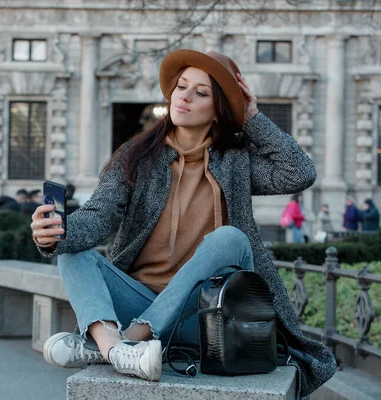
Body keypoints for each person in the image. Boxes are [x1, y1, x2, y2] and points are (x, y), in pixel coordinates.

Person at [30, 49, 335, 395]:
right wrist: (57, 233)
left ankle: (123, 343)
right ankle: (113, 348)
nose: (184, 97)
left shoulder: (236, 162)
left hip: (205, 316)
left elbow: (298, 172)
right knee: (74, 252)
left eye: (200, 92)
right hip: (138, 300)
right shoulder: (137, 157)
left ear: (218, 110)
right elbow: (99, 216)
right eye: (181, 87)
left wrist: (250, 117)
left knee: (231, 239)